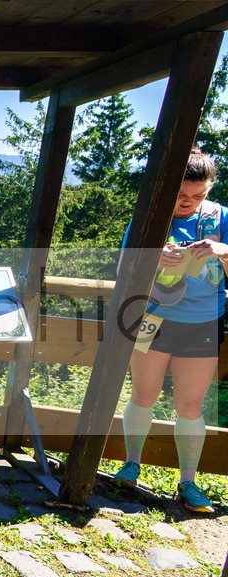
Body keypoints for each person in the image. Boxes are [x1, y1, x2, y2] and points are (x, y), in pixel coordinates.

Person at [113, 147, 228, 512]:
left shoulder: (220, 218)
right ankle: (131, 465)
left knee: (190, 405)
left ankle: (188, 483)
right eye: (180, 195)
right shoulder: (151, 213)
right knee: (143, 394)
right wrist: (154, 257)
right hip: (152, 318)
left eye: (198, 196)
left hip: (203, 324)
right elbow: (123, 269)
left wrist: (221, 250)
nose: (188, 202)